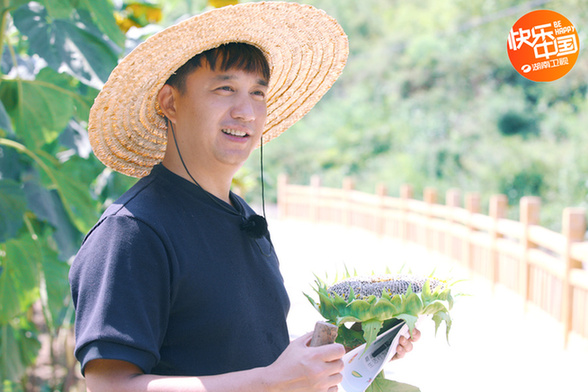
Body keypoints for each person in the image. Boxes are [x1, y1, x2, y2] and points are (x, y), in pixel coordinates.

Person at [69, 2, 419, 392]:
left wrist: (357, 350)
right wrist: (272, 381)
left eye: (257, 92)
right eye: (225, 89)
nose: (246, 111)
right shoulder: (133, 231)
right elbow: (110, 387)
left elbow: (243, 361)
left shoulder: (243, 218)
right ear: (169, 102)